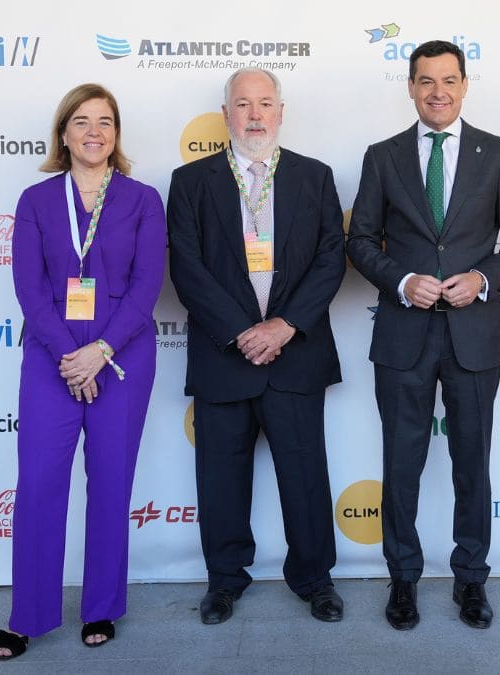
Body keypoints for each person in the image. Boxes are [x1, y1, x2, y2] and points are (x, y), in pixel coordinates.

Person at [346, 40, 500, 631]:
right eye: (426, 81)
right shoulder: (382, 156)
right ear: (409, 86)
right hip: (403, 334)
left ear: (464, 84)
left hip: (473, 335)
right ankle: (401, 579)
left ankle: (470, 581)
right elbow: (359, 243)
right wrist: (402, 281)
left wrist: (482, 278)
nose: (438, 92)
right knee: (400, 463)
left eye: (449, 80)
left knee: (470, 464)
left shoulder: (498, 153)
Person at [0, 83, 166, 660]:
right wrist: (71, 354)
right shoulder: (36, 200)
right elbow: (29, 287)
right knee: (40, 484)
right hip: (51, 357)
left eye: (106, 122)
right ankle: (29, 615)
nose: (95, 132)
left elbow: (146, 289)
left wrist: (100, 352)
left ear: (117, 135)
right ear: (63, 133)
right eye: (83, 122)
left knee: (111, 483)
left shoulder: (142, 199)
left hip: (122, 359)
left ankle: (101, 607)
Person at [166, 67, 346, 625]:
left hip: (295, 353)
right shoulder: (191, 180)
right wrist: (243, 332)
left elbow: (330, 259)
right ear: (226, 114)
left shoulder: (315, 177)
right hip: (225, 356)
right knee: (220, 478)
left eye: (264, 103)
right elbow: (186, 268)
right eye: (242, 104)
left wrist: (284, 326)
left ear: (281, 112)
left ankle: (315, 579)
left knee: (306, 475)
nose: (254, 115)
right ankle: (224, 581)